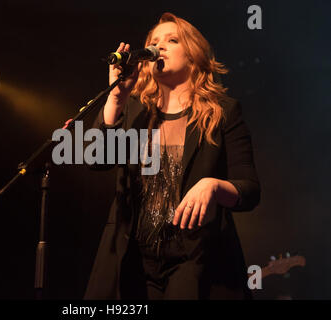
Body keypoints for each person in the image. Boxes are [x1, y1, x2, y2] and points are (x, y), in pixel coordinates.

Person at [84, 12, 261, 300]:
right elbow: (96, 159)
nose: (159, 46)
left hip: (194, 260)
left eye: (172, 39)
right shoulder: (133, 110)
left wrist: (213, 186)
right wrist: (116, 97)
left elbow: (250, 190)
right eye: (154, 42)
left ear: (193, 55)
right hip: (134, 260)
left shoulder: (223, 112)